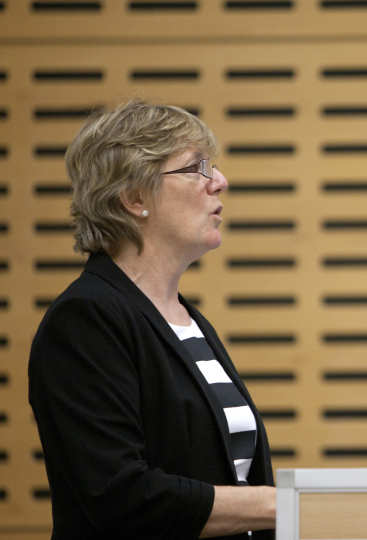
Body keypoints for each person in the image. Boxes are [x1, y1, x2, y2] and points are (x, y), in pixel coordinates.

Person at [28, 100, 276, 540]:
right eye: (197, 167)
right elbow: (122, 496)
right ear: (134, 197)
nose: (219, 181)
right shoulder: (86, 320)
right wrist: (283, 503)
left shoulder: (187, 320)